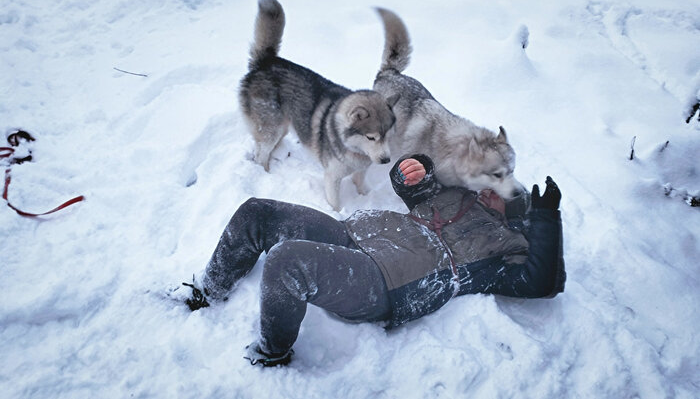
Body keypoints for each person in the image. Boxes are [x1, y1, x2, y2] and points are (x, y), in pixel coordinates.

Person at [182, 154, 565, 367]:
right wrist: (412, 169)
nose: (485, 192)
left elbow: (543, 282)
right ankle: (208, 291)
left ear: (513, 209)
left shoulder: (507, 247)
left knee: (288, 262)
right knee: (258, 211)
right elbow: (415, 185)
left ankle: (272, 354)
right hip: (359, 236)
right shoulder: (459, 197)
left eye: (496, 193)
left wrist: (547, 219)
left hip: (386, 282)